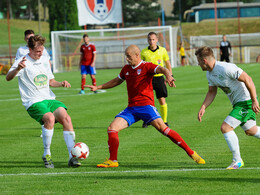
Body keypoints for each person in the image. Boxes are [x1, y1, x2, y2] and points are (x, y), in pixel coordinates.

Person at [85, 44, 205, 168]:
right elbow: (116, 81)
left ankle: (191, 153)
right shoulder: (126, 69)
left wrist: (169, 76)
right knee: (112, 128)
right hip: (131, 108)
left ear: (137, 55)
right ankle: (113, 160)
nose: (127, 59)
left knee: (164, 130)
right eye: (126, 56)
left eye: (128, 56)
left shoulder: (146, 66)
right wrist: (98, 87)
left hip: (146, 107)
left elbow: (162, 69)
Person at [6, 35, 81, 168]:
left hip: (49, 98)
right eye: (37, 52)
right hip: (33, 101)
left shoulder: (44, 60)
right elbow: (8, 77)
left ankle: (72, 156)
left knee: (66, 118)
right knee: (50, 118)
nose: (40, 54)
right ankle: (46, 154)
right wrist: (18, 68)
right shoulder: (22, 61)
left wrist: (61, 83)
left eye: (42, 51)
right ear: (29, 49)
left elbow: (50, 81)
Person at [195, 46, 260, 169]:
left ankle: (237, 160)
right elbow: (211, 92)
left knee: (226, 127)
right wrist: (204, 107)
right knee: (251, 130)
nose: (198, 65)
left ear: (204, 61)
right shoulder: (209, 74)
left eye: (199, 62)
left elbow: (248, 79)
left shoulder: (225, 68)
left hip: (245, 101)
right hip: (237, 103)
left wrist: (254, 100)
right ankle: (237, 160)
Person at [141, 32, 172, 128]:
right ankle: (147, 121)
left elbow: (167, 64)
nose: (151, 41)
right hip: (147, 79)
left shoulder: (162, 50)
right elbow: (141, 66)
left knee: (161, 99)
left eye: (153, 39)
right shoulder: (144, 52)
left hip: (159, 78)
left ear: (157, 40)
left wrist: (169, 76)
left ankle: (165, 121)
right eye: (149, 39)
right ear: (147, 40)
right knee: (146, 101)